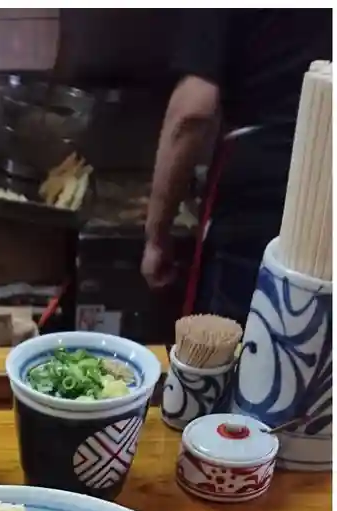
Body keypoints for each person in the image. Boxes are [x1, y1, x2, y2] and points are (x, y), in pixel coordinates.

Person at [142, 10, 332, 327]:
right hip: (322, 186)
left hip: (256, 198)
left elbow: (192, 112)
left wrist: (156, 237)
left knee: (227, 351)